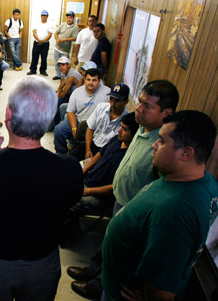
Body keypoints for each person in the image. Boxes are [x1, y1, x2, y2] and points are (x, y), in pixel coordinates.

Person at [0, 76, 83, 301]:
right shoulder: (68, 169)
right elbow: (72, 199)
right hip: (43, 264)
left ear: (8, 116)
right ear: (48, 119)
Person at [67, 80, 179, 299]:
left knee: (120, 254)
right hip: (120, 200)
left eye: (147, 106)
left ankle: (99, 285)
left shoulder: (163, 145)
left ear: (166, 112)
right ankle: (93, 271)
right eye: (140, 103)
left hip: (134, 211)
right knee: (109, 242)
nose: (139, 109)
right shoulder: (141, 129)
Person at [101, 110, 218, 301]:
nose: (154, 146)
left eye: (162, 141)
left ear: (186, 153)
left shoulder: (175, 213)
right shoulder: (205, 182)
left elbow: (162, 293)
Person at [60, 112, 138, 248]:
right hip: (89, 181)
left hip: (101, 197)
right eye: (121, 126)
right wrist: (80, 172)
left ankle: (70, 236)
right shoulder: (117, 140)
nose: (119, 130)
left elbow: (114, 187)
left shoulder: (131, 157)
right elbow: (99, 155)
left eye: (124, 129)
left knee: (69, 201)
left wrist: (87, 191)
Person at [53, 68, 110, 155]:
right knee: (58, 130)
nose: (90, 83)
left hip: (96, 125)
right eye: (88, 80)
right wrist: (74, 128)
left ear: (99, 81)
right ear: (84, 80)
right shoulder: (77, 92)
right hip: (79, 121)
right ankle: (61, 154)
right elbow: (70, 111)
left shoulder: (107, 93)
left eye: (94, 80)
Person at [70, 83, 130, 161]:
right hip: (93, 143)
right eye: (111, 99)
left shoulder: (127, 120)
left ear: (126, 101)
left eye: (117, 101)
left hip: (107, 153)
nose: (113, 104)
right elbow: (90, 129)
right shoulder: (101, 107)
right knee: (70, 159)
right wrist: (88, 150)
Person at [27, 10, 55, 76]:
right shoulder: (36, 23)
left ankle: (43, 70)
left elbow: (49, 34)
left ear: (47, 16)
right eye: (42, 15)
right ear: (40, 16)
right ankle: (33, 70)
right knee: (35, 57)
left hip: (45, 44)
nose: (43, 17)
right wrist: (39, 40)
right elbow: (34, 33)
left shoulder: (50, 24)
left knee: (44, 57)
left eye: (45, 15)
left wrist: (43, 41)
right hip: (37, 43)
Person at [53, 11, 79, 80]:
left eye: (70, 18)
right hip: (57, 47)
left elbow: (74, 38)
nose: (68, 19)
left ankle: (63, 77)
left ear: (73, 18)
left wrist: (63, 40)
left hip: (65, 50)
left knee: (64, 64)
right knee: (57, 62)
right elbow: (56, 33)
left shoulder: (75, 27)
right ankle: (58, 75)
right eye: (67, 18)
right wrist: (57, 39)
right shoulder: (63, 25)